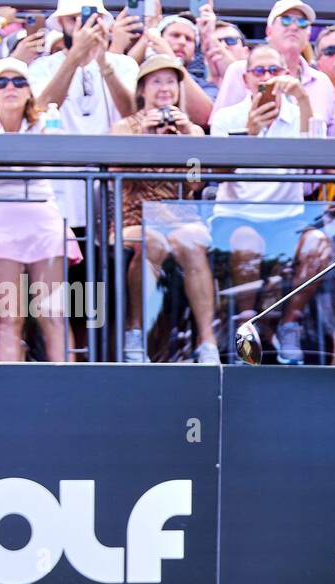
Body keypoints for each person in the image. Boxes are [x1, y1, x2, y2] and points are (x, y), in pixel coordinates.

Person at [210, 44, 329, 364]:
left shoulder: (297, 112)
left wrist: (303, 98)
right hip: (237, 215)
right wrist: (250, 134)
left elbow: (314, 165)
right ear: (247, 79)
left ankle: (289, 326)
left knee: (318, 244)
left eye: (274, 71)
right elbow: (215, 175)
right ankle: (245, 331)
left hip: (286, 220)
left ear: (286, 75)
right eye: (259, 72)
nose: (267, 78)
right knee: (248, 241)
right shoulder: (226, 117)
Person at [0, 57, 82, 363]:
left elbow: (59, 158)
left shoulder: (46, 120)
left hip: (41, 215)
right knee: (10, 317)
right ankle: (9, 397)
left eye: (18, 82)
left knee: (53, 314)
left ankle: (68, 393)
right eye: (1, 82)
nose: (10, 88)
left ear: (29, 90)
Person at [109, 54, 217, 364]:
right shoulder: (125, 126)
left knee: (194, 242)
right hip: (134, 216)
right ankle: (134, 333)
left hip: (179, 217)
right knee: (152, 242)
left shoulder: (192, 131)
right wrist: (144, 135)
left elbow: (195, 184)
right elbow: (117, 174)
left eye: (171, 81)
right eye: (156, 81)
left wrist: (185, 139)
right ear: (142, 90)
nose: (165, 88)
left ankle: (207, 342)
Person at [28, 0, 138, 234]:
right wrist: (75, 56)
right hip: (59, 183)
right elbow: (38, 111)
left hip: (109, 185)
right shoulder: (41, 67)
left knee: (107, 264)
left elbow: (133, 114)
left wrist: (103, 62)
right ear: (60, 23)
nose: (83, 26)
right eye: (73, 19)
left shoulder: (124, 64)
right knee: (62, 263)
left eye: (90, 18)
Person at [209, 0, 335, 131]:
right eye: (285, 20)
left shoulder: (323, 82)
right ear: (269, 31)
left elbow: (321, 140)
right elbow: (221, 129)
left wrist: (303, 98)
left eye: (302, 22)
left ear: (308, 34)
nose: (294, 26)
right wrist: (249, 133)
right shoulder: (239, 70)